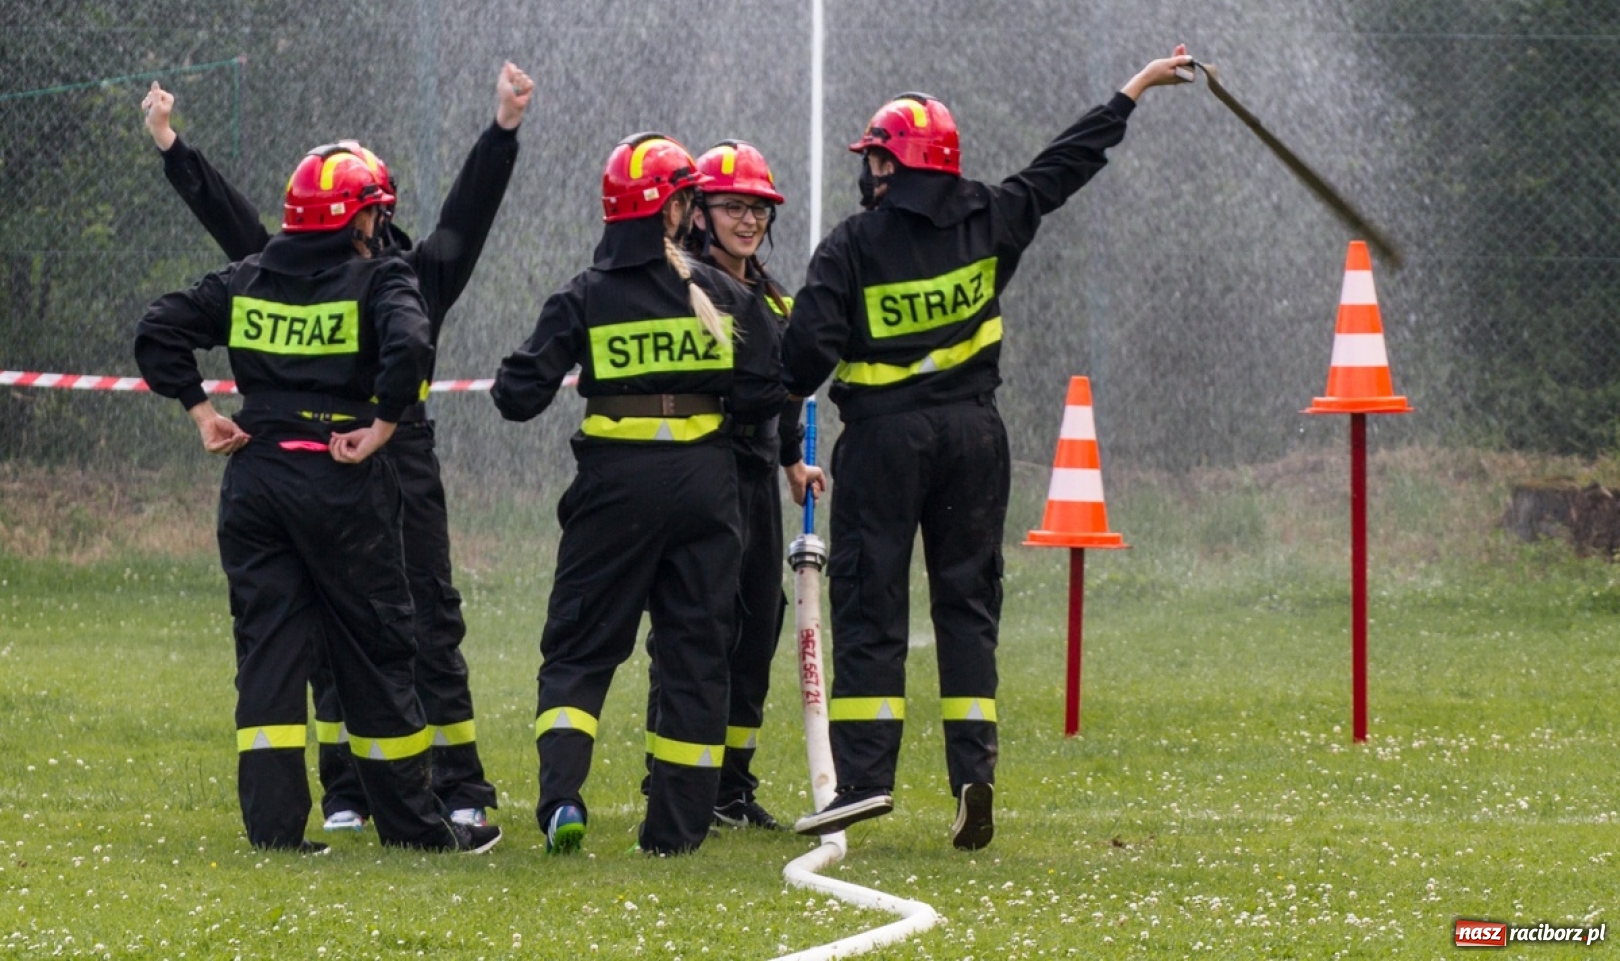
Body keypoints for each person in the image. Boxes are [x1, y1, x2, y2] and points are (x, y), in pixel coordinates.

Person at [783, 46, 1197, 850]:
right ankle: (974, 774)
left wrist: (785, 346)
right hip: (977, 437)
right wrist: (1134, 88)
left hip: (884, 441)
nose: (867, 172)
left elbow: (804, 360)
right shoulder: (993, 216)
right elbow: (1064, 165)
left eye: (873, 158)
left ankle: (865, 779)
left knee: (873, 602)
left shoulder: (851, 247)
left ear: (891, 164)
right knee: (967, 607)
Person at [141, 64, 532, 831]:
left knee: (425, 622)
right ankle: (351, 792)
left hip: (397, 465)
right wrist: (172, 149)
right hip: (344, 465)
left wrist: (501, 132)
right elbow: (235, 225)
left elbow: (470, 211)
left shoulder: (410, 274)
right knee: (340, 633)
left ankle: (458, 784)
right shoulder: (301, 269)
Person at [491, 133, 785, 856]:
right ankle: (675, 833)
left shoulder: (585, 295)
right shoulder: (726, 295)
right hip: (706, 493)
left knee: (579, 650)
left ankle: (561, 797)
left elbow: (516, 396)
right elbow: (766, 385)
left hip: (614, 490)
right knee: (696, 652)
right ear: (679, 207)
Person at [641, 141, 825, 831]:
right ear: (699, 213)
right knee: (695, 626)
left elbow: (774, 393)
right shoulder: (683, 284)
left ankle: (730, 786)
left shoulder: (768, 293)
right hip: (704, 473)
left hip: (753, 475)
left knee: (757, 623)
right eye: (732, 207)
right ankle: (673, 776)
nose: (748, 220)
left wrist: (790, 463)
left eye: (758, 209)